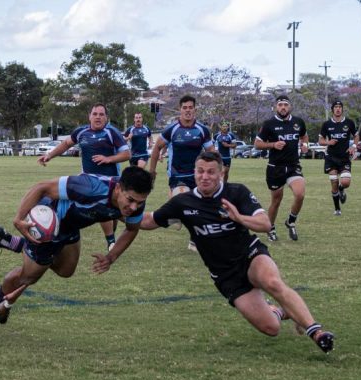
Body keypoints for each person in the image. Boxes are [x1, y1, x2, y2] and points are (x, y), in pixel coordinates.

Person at [139, 151, 335, 353]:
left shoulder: (236, 192)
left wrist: (239, 218)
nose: (205, 177)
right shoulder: (182, 202)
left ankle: (317, 333)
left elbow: (265, 224)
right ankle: (281, 310)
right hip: (225, 275)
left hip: (250, 256)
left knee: (272, 282)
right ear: (194, 173)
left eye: (211, 172)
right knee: (271, 328)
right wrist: (119, 210)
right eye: (200, 172)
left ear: (221, 174)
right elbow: (149, 220)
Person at [0, 166, 153, 323]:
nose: (134, 207)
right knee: (29, 278)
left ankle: (5, 240)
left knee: (66, 271)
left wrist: (111, 257)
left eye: (140, 202)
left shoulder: (136, 203)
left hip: (71, 225)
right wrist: (19, 219)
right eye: (130, 200)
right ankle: (0, 293)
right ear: (119, 189)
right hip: (49, 221)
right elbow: (41, 187)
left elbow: (131, 229)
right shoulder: (90, 186)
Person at [41, 104, 131, 251]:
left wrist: (109, 159)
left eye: (101, 114)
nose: (98, 117)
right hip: (88, 180)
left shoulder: (111, 132)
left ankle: (135, 223)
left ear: (106, 118)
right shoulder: (81, 131)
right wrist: (49, 155)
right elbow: (65, 144)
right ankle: (111, 241)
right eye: (95, 114)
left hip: (111, 181)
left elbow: (127, 154)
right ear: (89, 116)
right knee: (100, 206)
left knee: (114, 213)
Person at [149, 95, 215, 251]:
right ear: (180, 110)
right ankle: (175, 213)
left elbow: (212, 152)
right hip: (177, 175)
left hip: (198, 176)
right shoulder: (172, 129)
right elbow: (156, 148)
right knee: (185, 199)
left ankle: (193, 238)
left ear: (195, 110)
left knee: (198, 208)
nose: (188, 111)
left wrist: (216, 172)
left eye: (190, 107)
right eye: (184, 108)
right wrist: (151, 171)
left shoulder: (202, 130)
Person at [254, 95, 309, 241]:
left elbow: (304, 136)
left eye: (285, 104)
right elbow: (257, 144)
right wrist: (273, 145)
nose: (283, 107)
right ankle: (270, 228)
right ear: (275, 107)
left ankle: (290, 221)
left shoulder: (298, 122)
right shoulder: (269, 124)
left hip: (293, 166)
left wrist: (305, 145)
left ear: (290, 107)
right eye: (280, 105)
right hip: (275, 168)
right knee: (276, 200)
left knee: (300, 194)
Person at [318, 100, 359, 216]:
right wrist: (328, 142)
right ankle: (337, 209)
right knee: (334, 182)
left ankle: (342, 189)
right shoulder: (326, 124)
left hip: (345, 157)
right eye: (335, 107)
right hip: (331, 157)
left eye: (340, 107)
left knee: (345, 182)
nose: (338, 109)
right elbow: (320, 141)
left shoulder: (349, 123)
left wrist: (354, 146)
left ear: (342, 109)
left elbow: (356, 136)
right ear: (332, 110)